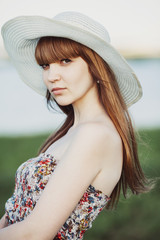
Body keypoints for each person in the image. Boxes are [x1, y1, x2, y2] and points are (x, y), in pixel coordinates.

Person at [0, 11, 150, 240]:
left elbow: (36, 233)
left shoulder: (97, 135)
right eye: (45, 65)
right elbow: (14, 216)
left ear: (95, 66)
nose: (52, 76)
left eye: (66, 61)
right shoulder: (70, 133)